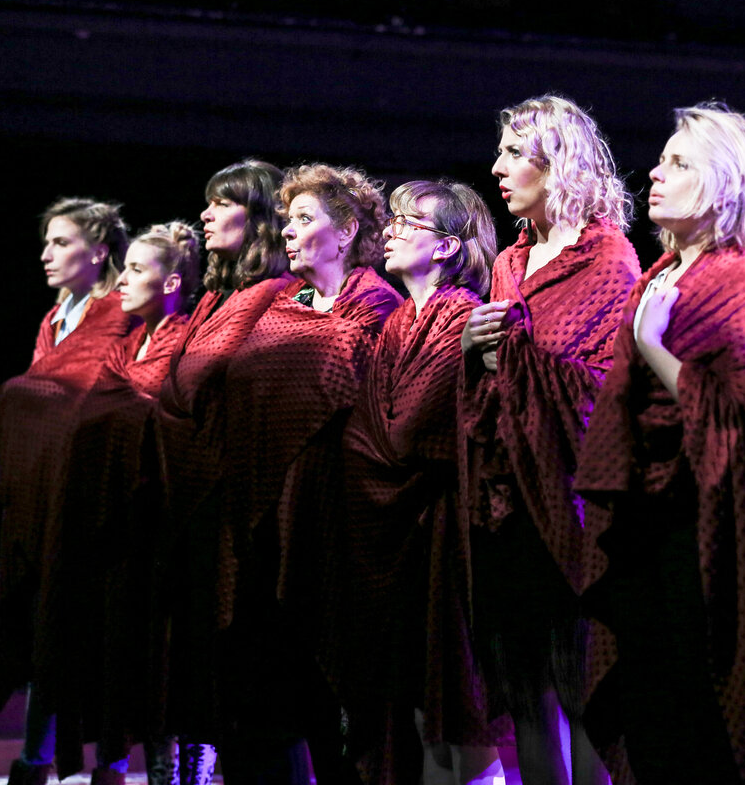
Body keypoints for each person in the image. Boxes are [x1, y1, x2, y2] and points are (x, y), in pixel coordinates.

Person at [576, 104, 745, 784]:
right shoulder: (659, 274)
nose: (655, 173)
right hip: (641, 518)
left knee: (693, 720)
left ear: (725, 184)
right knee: (648, 718)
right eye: (661, 160)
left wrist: (652, 345)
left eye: (678, 164)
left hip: (700, 526)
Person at [458, 94, 639, 785]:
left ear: (556, 162)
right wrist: (470, 350)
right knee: (522, 688)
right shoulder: (509, 262)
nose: (497, 168)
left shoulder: (608, 258)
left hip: (570, 500)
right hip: (505, 497)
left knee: (578, 688)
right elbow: (493, 378)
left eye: (514, 154)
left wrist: (511, 356)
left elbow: (606, 388)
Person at [217, 163, 400, 783]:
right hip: (263, 508)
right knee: (266, 690)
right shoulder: (282, 306)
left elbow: (369, 404)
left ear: (345, 232)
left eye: (303, 219)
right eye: (286, 220)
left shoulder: (377, 306)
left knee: (329, 691)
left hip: (334, 519)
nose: (287, 233)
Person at [328, 180, 503, 784]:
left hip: (440, 530)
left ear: (448, 246)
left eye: (410, 222)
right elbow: (364, 428)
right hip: (396, 530)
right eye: (394, 219)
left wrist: (373, 445)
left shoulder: (461, 315)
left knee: (454, 705)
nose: (392, 230)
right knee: (421, 713)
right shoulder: (400, 319)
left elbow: (408, 431)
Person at [0, 198, 135, 785]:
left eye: (61, 242)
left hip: (98, 499)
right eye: (46, 242)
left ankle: (110, 766)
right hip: (44, 496)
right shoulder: (54, 318)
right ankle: (34, 760)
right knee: (43, 629)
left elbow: (103, 397)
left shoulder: (122, 310)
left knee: (96, 633)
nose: (46, 254)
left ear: (98, 250)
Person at [155, 160, 292, 784]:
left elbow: (198, 385)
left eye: (222, 203)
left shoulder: (275, 295)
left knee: (237, 664)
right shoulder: (216, 297)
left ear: (260, 217)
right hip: (192, 498)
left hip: (235, 501)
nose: (205, 215)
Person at [54, 222, 201, 784]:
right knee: (117, 646)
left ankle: (170, 766)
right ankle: (112, 763)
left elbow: (150, 407)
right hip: (115, 519)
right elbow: (95, 410)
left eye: (136, 270)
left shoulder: (184, 338)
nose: (121, 283)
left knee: (163, 650)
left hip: (165, 520)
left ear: (170, 282)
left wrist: (117, 409)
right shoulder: (124, 345)